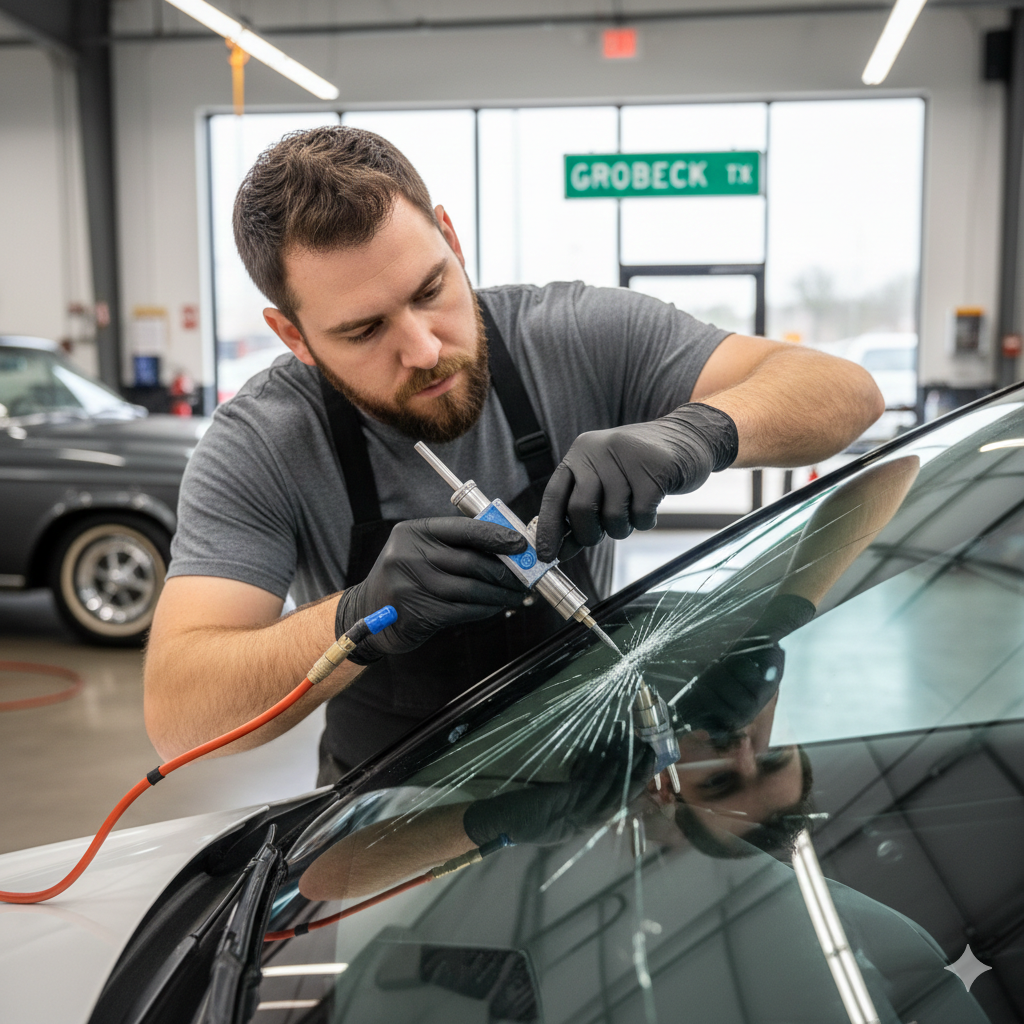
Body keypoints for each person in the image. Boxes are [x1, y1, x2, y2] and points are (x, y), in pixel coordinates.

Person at [143, 125, 884, 782]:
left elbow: (844, 390)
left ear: (451, 238)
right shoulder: (261, 444)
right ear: (293, 335)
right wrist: (361, 619)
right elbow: (180, 715)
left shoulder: (571, 335)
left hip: (592, 782)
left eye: (432, 289)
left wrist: (694, 432)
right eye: (364, 332)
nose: (425, 349)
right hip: (383, 832)